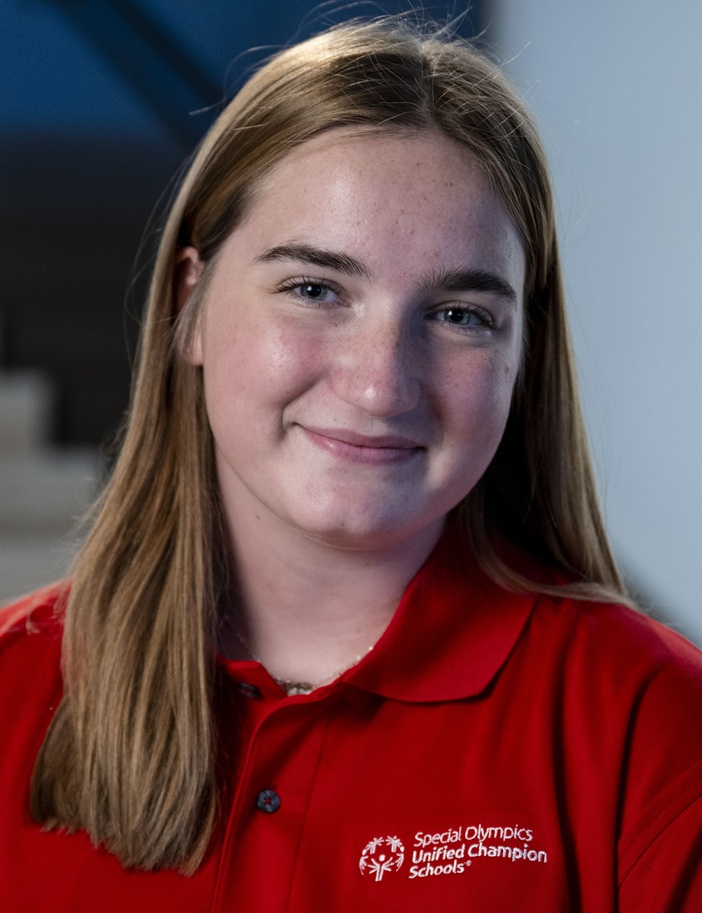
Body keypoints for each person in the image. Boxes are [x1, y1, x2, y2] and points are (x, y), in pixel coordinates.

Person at [1, 18, 700, 913]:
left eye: (458, 314)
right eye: (315, 289)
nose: (378, 385)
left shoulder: (650, 729)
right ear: (192, 304)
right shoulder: (12, 692)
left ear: (523, 354)